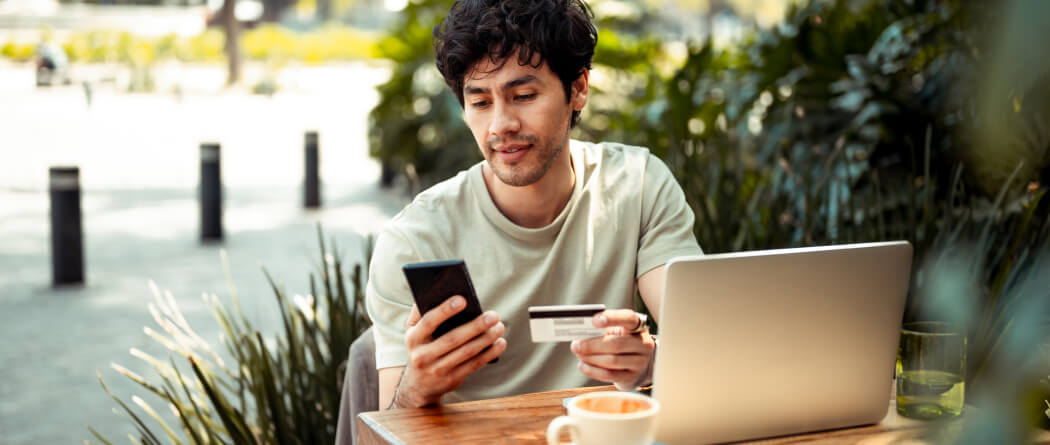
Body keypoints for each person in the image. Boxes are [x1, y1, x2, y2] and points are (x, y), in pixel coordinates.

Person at [366, 0, 702, 410]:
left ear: (578, 88)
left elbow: (699, 342)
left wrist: (652, 362)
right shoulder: (415, 240)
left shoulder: (638, 184)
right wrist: (415, 389)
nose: (501, 125)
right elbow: (384, 429)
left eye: (523, 95)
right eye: (481, 102)